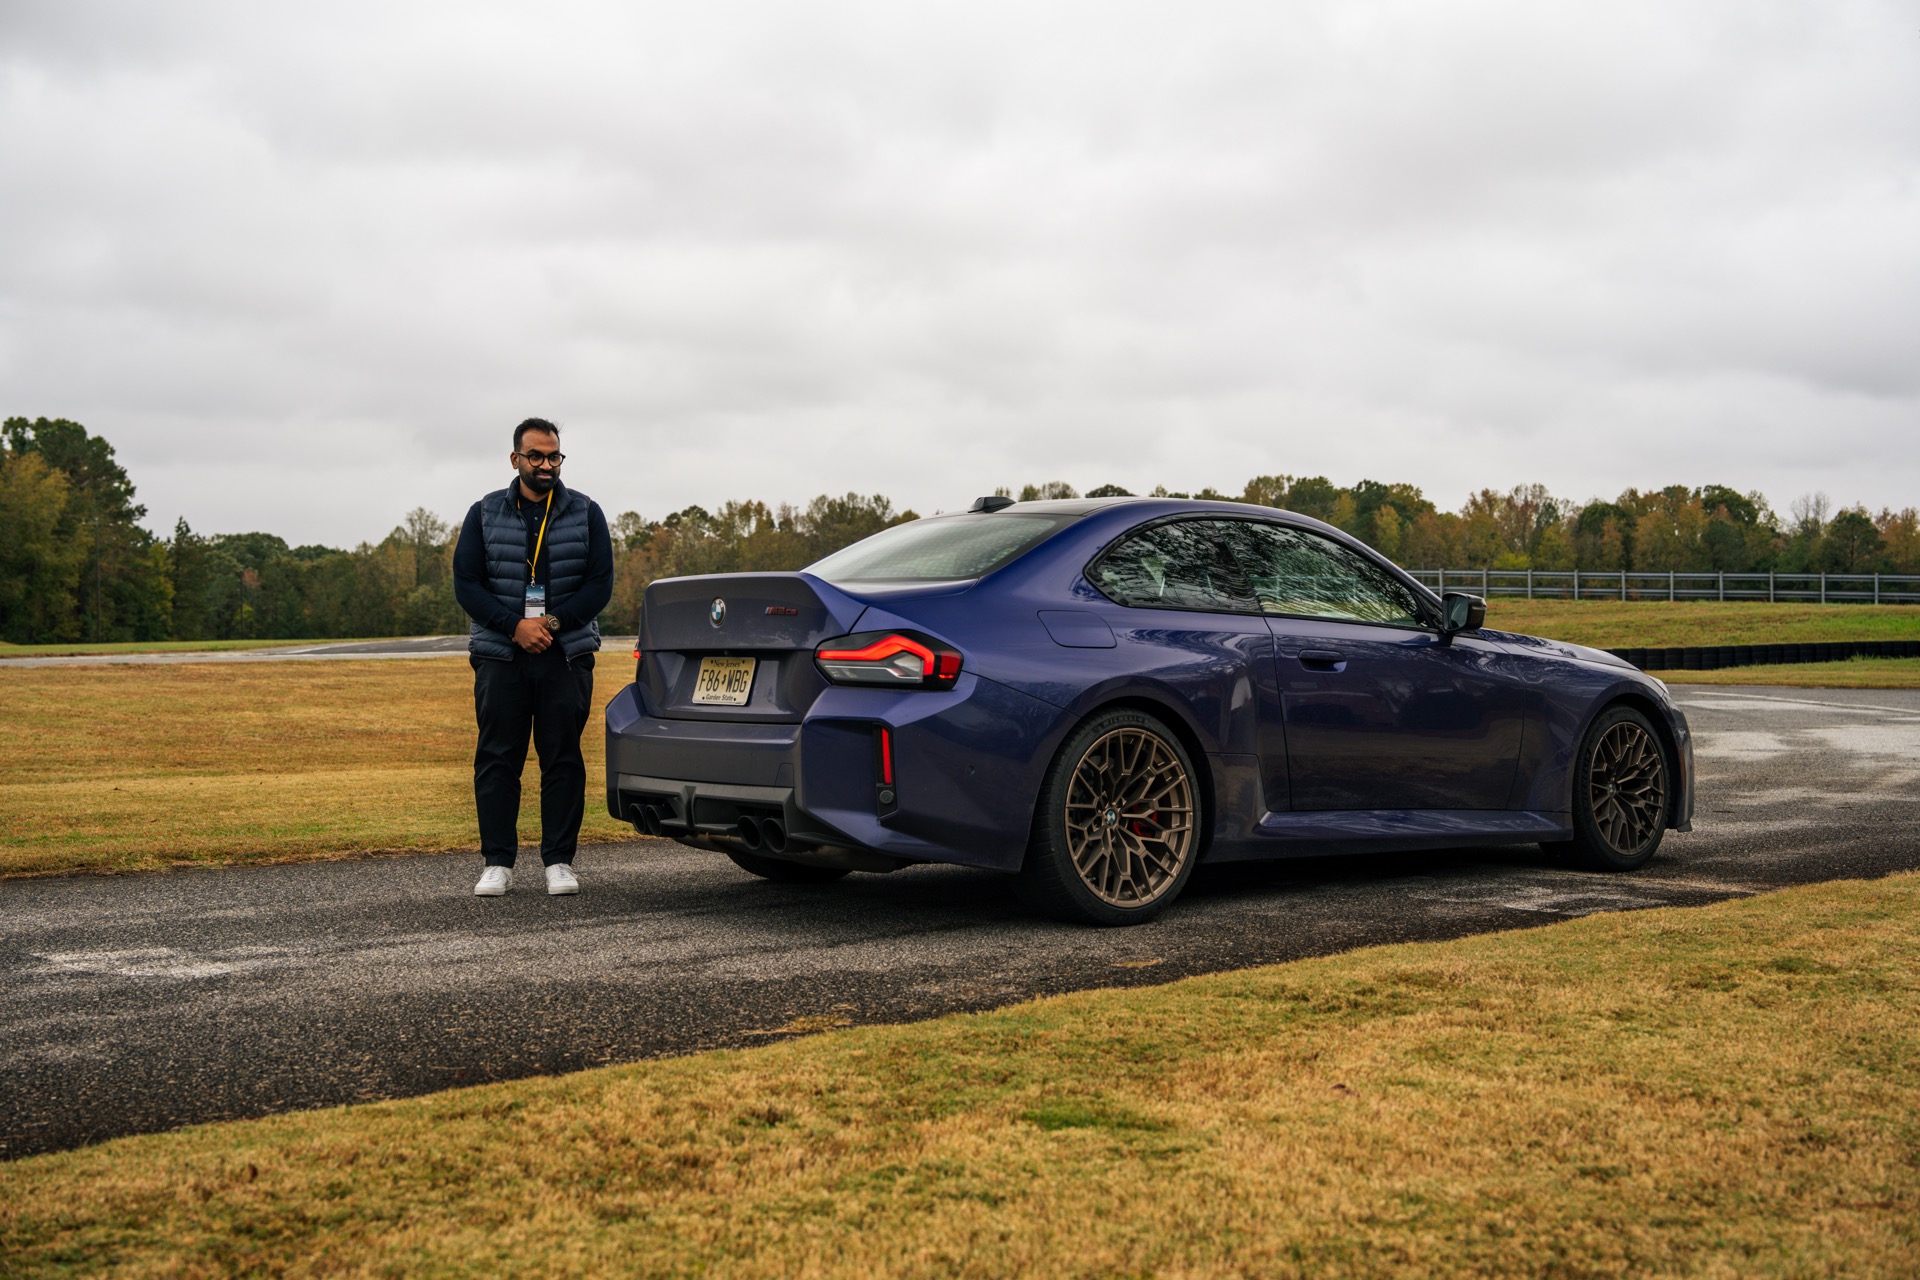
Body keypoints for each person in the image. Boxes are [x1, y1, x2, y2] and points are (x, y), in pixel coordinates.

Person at [452, 418, 613, 896]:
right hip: (503, 655)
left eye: (554, 456)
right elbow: (467, 584)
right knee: (498, 757)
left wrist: (551, 625)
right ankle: (496, 862)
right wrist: (515, 627)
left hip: (564, 655)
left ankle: (559, 861)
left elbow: (600, 584)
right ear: (515, 459)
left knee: (561, 758)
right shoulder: (484, 513)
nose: (547, 465)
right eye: (537, 456)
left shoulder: (586, 512)